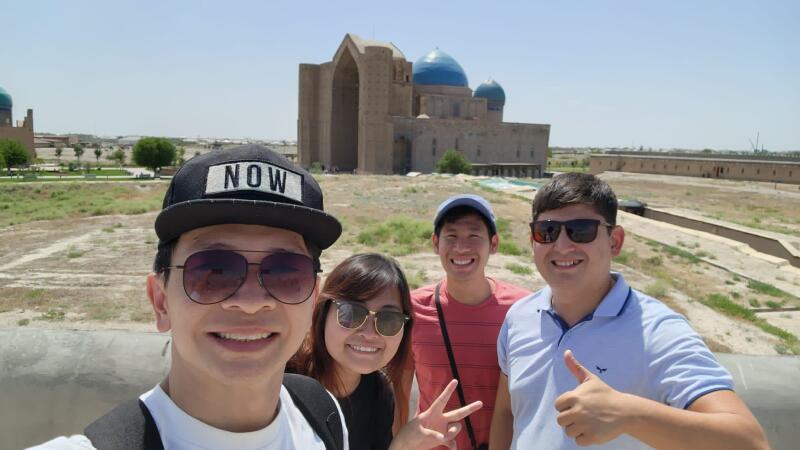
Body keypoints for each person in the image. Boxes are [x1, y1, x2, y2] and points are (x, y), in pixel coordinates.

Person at [31, 145, 351, 449]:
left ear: (312, 300)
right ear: (161, 302)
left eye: (285, 272)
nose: (251, 300)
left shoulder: (322, 415)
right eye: (214, 270)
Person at [490, 172, 769, 450]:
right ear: (533, 240)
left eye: (581, 230)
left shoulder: (658, 331)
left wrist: (628, 415)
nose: (562, 246)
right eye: (547, 231)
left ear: (615, 241)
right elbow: (507, 413)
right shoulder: (520, 317)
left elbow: (750, 442)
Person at [289, 253, 483, 450]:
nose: (369, 333)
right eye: (351, 313)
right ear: (322, 312)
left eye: (388, 319)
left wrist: (402, 444)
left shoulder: (379, 394)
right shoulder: (281, 382)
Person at [403, 194, 531, 450]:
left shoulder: (523, 310)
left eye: (474, 236)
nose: (461, 248)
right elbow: (400, 389)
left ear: (493, 244)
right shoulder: (411, 308)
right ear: (435, 243)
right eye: (451, 236)